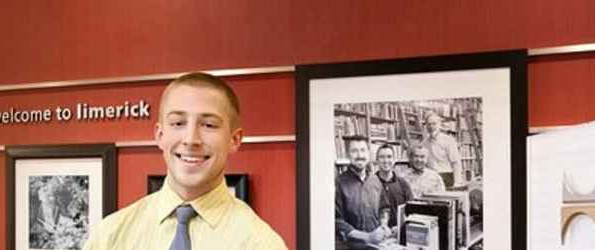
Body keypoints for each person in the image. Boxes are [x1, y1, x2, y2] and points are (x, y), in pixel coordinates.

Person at [82, 72, 287, 250]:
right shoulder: (110, 236)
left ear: (234, 140)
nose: (191, 139)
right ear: (160, 135)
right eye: (178, 123)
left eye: (209, 125)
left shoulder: (261, 244)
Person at [335, 137, 391, 249]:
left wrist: (384, 225)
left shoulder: (375, 180)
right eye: (354, 151)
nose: (360, 155)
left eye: (363, 150)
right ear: (347, 154)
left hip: (376, 246)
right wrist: (367, 237)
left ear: (369, 153)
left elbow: (384, 208)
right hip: (350, 247)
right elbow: (337, 220)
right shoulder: (339, 183)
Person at [374, 145, 414, 229]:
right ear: (376, 160)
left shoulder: (403, 184)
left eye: (389, 157)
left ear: (395, 160)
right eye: (382, 157)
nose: (386, 161)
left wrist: (401, 227)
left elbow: (411, 210)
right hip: (376, 233)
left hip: (399, 231)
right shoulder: (370, 183)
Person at [422, 111, 465, 188]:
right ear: (426, 126)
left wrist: (457, 183)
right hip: (431, 178)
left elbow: (455, 163)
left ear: (439, 125)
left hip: (446, 177)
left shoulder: (448, 140)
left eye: (434, 124)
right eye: (428, 124)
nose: (431, 126)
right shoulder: (424, 143)